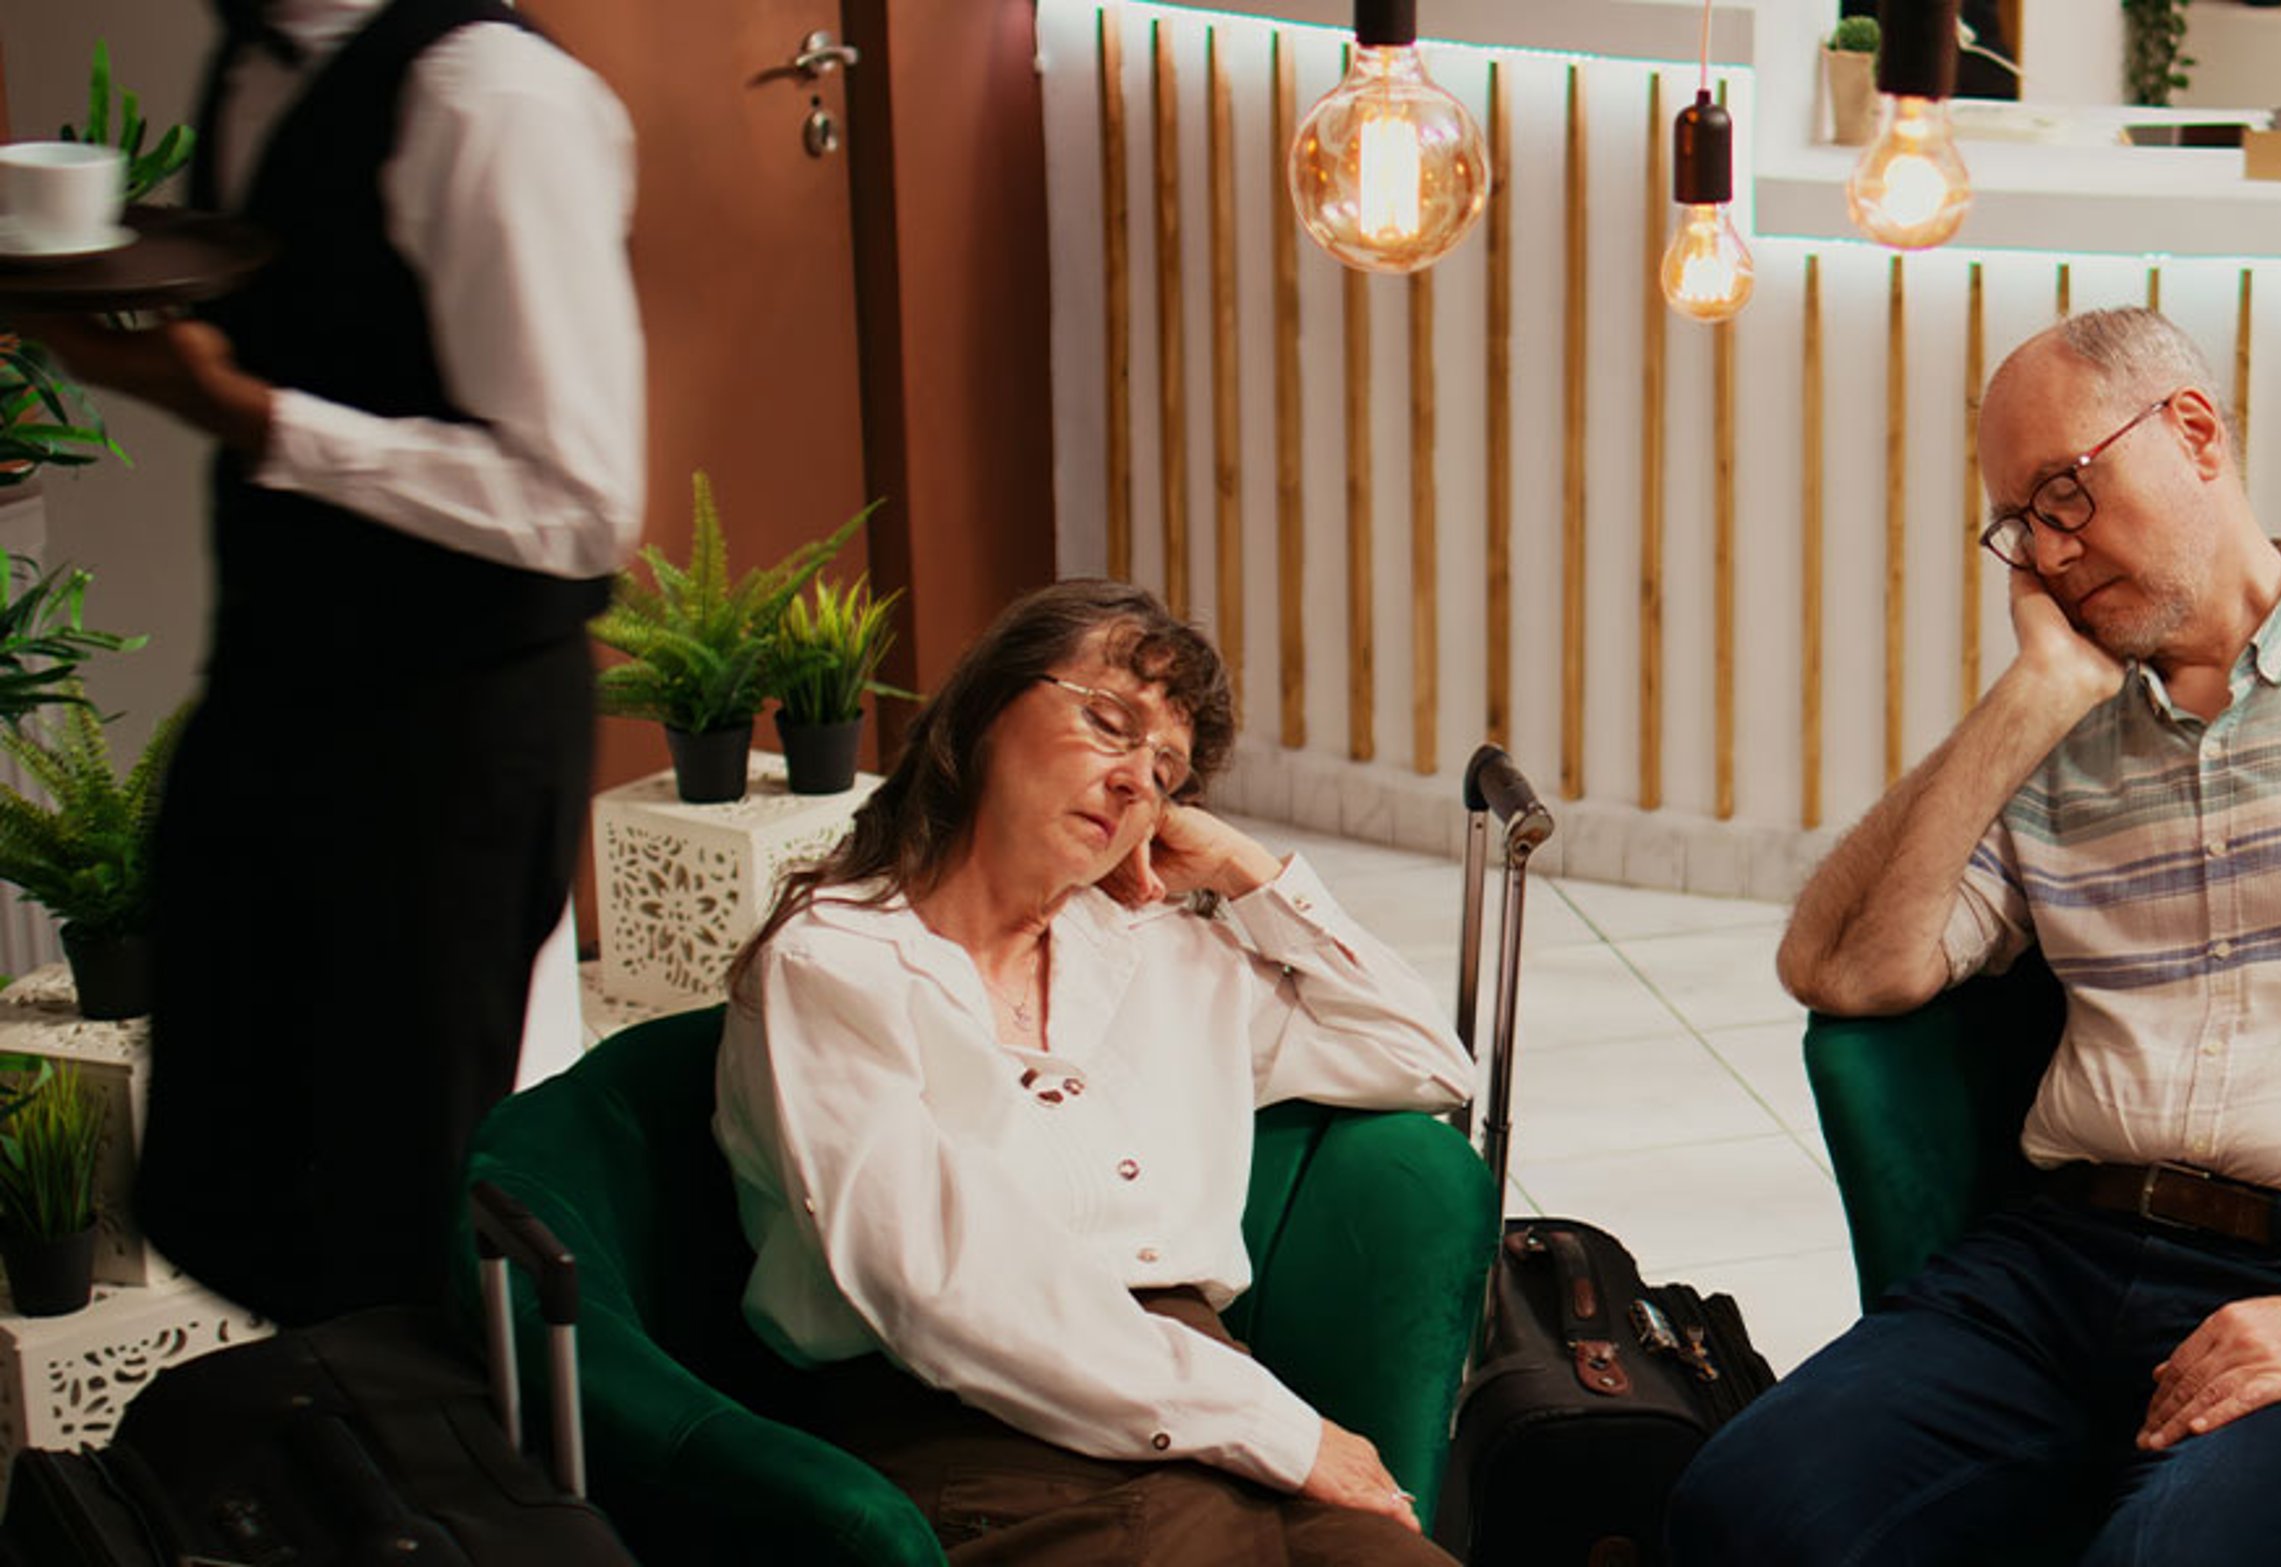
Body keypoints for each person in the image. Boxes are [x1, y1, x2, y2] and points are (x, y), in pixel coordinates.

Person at [1670, 308, 2281, 1567]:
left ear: (2193, 432)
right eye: (2019, 527)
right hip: (2050, 1269)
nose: (2052, 553)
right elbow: (1847, 967)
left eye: (2067, 493)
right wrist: (2028, 699)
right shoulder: (2058, 743)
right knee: (1736, 1508)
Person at [18, 0, 644, 1325]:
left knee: (393, 1202)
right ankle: (321, 1448)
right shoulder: (254, 56)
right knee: (224, 1178)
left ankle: (447, 1490)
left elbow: (579, 500)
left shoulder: (491, 100)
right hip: (277, 684)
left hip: (450, 732)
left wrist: (244, 414)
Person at [715, 580, 1472, 1565]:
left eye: (1166, 772)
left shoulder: (1155, 954)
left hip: (1209, 1410)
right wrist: (1283, 1431)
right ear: (986, 710)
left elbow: (1423, 1059)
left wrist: (1249, 871)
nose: (1133, 783)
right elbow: (942, 1291)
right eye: (1109, 725)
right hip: (975, 1430)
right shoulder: (835, 967)